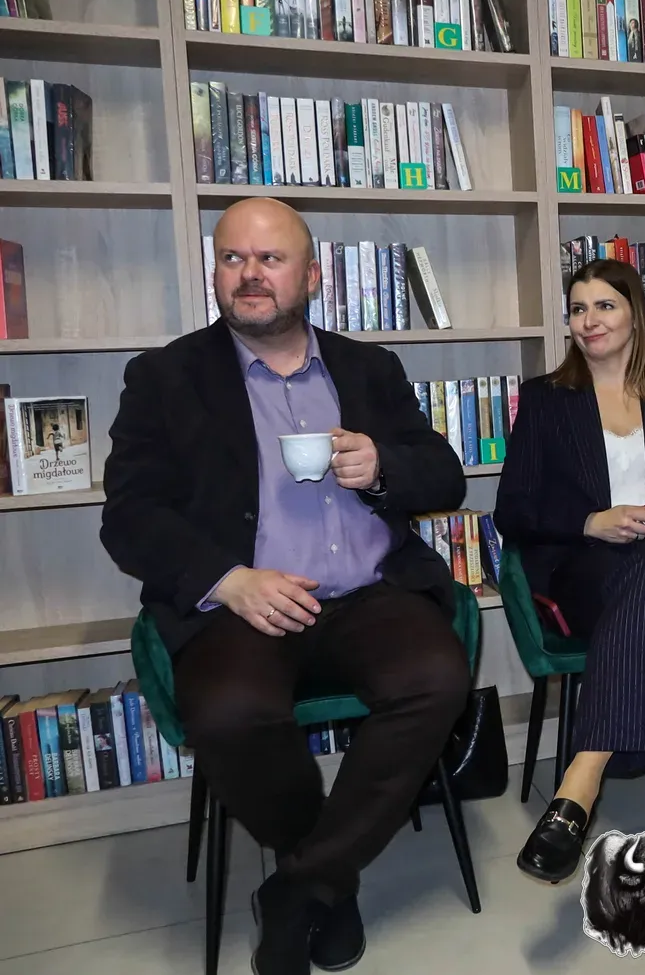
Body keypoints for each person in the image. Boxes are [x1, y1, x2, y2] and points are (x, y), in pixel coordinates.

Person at [99, 198, 471, 975]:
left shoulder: (368, 367)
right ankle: (331, 876)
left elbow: (444, 474)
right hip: (246, 604)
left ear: (312, 274)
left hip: (370, 593)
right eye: (233, 258)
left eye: (270, 259)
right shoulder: (165, 377)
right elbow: (129, 516)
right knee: (229, 711)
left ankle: (300, 886)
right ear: (215, 272)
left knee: (437, 677)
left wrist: (384, 466)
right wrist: (228, 579)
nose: (250, 275)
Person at [495, 259, 645, 884]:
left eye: (604, 305)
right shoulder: (546, 399)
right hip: (589, 572)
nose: (588, 320)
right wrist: (589, 522)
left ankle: (583, 775)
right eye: (578, 308)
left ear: (635, 315)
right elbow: (512, 510)